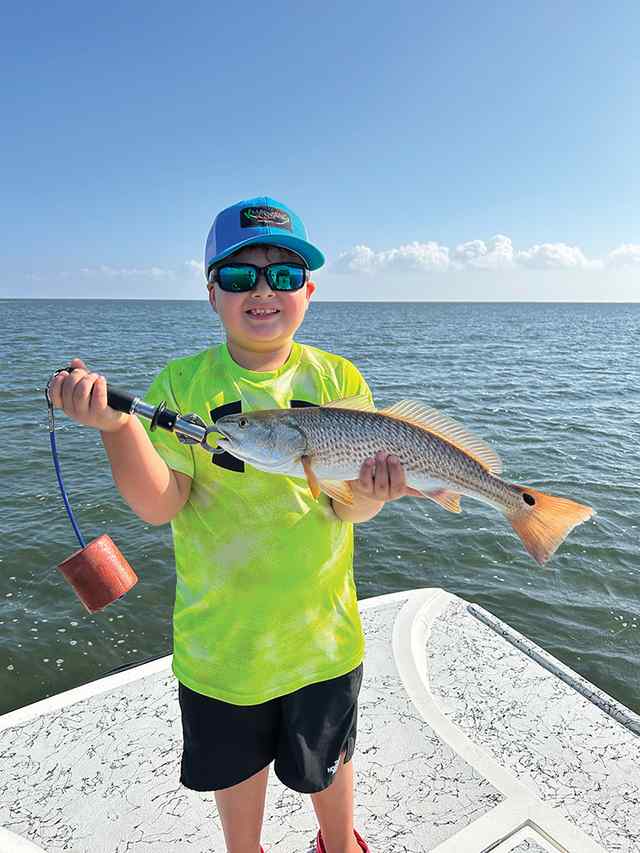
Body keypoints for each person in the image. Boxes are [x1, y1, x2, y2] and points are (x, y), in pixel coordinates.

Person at [49, 197, 418, 853]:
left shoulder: (339, 377)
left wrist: (373, 495)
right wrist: (119, 427)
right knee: (237, 775)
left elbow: (347, 505)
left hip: (322, 640)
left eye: (283, 274)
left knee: (328, 764)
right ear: (212, 291)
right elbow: (160, 503)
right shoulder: (182, 383)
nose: (263, 290)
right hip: (221, 646)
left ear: (308, 289)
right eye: (241, 275)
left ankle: (339, 843)